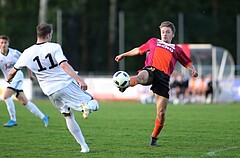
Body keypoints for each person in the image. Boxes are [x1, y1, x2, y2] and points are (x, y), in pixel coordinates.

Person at [6, 23, 99, 153]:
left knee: (68, 115)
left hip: (50, 92)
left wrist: (8, 79)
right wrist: (79, 80)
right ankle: (86, 107)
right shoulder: (54, 47)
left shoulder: (27, 52)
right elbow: (64, 65)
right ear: (49, 35)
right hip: (64, 84)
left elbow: (13, 71)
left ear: (38, 34)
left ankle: (84, 147)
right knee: (93, 102)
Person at [115, 21, 198, 146]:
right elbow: (138, 50)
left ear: (173, 35)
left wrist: (193, 70)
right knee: (141, 76)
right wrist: (124, 55)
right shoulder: (154, 41)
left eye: (167, 32)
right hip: (151, 69)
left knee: (161, 113)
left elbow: (187, 62)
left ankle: (154, 137)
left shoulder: (177, 49)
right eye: (163, 32)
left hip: (164, 78)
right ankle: (125, 84)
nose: (164, 34)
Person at [0, 35, 49, 127]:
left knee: (6, 96)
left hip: (17, 76)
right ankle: (43, 117)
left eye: (5, 43)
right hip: (10, 80)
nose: (3, 45)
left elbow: (27, 61)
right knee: (24, 102)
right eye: (1, 43)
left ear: (8, 43)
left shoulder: (14, 53)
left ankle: (13, 120)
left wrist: (30, 74)